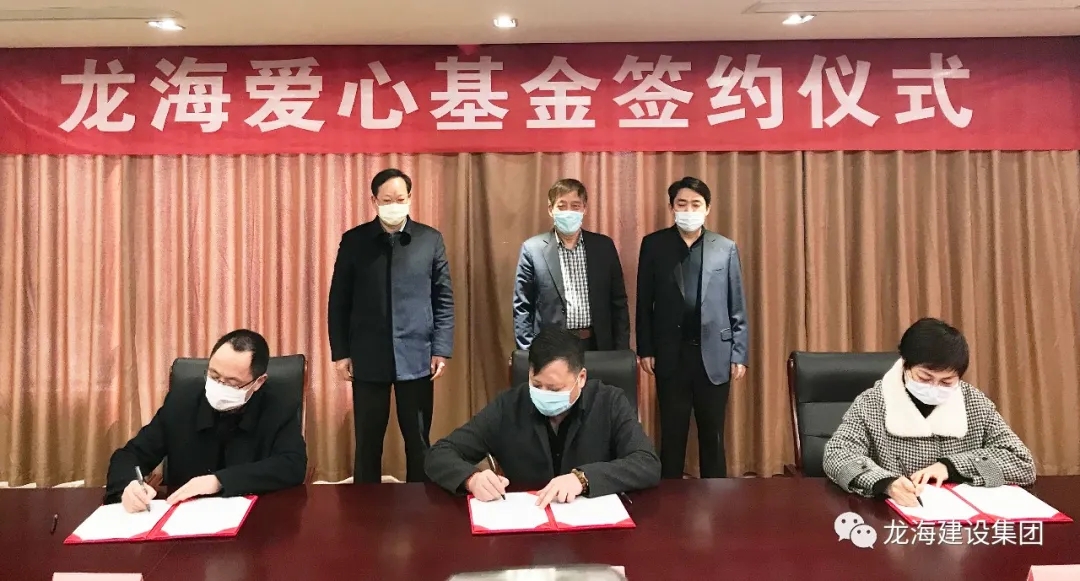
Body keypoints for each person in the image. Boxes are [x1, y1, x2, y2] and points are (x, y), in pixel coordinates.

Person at [425, 325, 660, 507]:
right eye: (537, 385)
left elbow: (647, 463)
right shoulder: (509, 406)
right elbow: (439, 453)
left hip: (594, 531)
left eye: (555, 389)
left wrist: (583, 479)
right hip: (527, 527)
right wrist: (471, 479)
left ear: (581, 378)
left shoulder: (609, 402)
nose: (544, 394)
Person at [823, 318, 1036, 506]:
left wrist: (951, 467)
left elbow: (1021, 462)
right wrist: (885, 483)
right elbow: (837, 454)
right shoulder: (873, 402)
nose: (934, 387)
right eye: (924, 378)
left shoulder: (974, 403)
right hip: (891, 516)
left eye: (946, 381)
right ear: (905, 365)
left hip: (961, 519)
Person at [327, 168, 454, 483]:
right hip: (368, 355)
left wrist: (440, 349)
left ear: (409, 198)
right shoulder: (354, 241)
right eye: (386, 200)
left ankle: (420, 504)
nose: (394, 205)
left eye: (400, 199)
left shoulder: (430, 239)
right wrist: (341, 353)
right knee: (368, 442)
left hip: (418, 355)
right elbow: (338, 301)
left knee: (419, 441)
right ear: (374, 201)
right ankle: (365, 506)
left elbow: (443, 299)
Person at [105, 329, 306, 513]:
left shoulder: (278, 406)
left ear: (258, 382)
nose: (220, 386)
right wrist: (129, 486)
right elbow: (130, 455)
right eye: (214, 375)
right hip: (185, 517)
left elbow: (292, 464)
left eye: (232, 383)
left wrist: (219, 481)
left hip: (255, 519)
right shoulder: (182, 401)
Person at [636, 176, 749, 479]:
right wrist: (645, 349)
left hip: (715, 355)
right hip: (671, 354)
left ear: (707, 208)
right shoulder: (654, 245)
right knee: (672, 435)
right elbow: (644, 303)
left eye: (696, 204)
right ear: (671, 207)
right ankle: (669, 498)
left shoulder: (725, 247)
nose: (688, 210)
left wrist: (739, 353)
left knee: (713, 436)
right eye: (682, 204)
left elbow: (736, 304)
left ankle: (717, 498)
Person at [513, 178, 630, 352]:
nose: (569, 212)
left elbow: (618, 302)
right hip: (550, 348)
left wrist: (621, 350)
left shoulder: (604, 246)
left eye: (575, 206)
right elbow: (522, 307)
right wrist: (528, 353)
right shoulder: (532, 249)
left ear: (584, 209)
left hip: (597, 345)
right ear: (550, 209)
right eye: (562, 206)